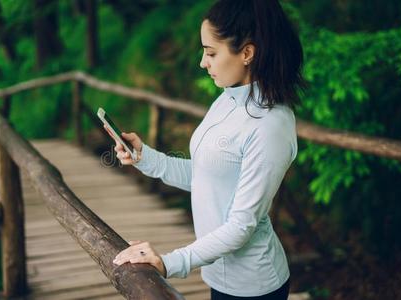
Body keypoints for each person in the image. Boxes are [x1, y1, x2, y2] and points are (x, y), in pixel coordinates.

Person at [110, 0, 305, 299]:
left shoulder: (271, 126)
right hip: (217, 276)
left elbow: (242, 225)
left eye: (211, 52)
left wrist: (168, 262)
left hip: (254, 287)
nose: (203, 62)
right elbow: (206, 175)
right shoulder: (226, 99)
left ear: (247, 53)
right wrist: (146, 158)